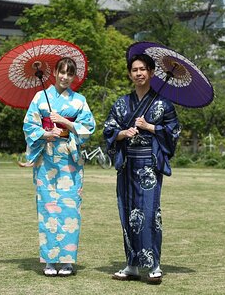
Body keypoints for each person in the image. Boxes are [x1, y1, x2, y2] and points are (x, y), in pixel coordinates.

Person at [103, 53, 181, 285]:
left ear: (152, 73)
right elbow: (108, 130)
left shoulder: (163, 104)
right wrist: (122, 133)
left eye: (144, 69)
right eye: (135, 69)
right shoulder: (121, 103)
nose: (139, 73)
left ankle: (154, 265)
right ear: (130, 73)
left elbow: (173, 132)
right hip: (127, 165)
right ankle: (132, 265)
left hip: (149, 165)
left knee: (148, 214)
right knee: (127, 213)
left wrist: (151, 126)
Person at [22, 57, 96, 277]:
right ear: (54, 72)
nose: (65, 77)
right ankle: (49, 260)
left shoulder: (79, 100)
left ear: (74, 77)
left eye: (69, 74)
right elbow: (28, 124)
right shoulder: (39, 98)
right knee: (47, 207)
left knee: (70, 208)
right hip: (46, 158)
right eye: (61, 72)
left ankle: (67, 261)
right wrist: (46, 133)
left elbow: (88, 127)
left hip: (69, 160)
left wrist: (65, 122)